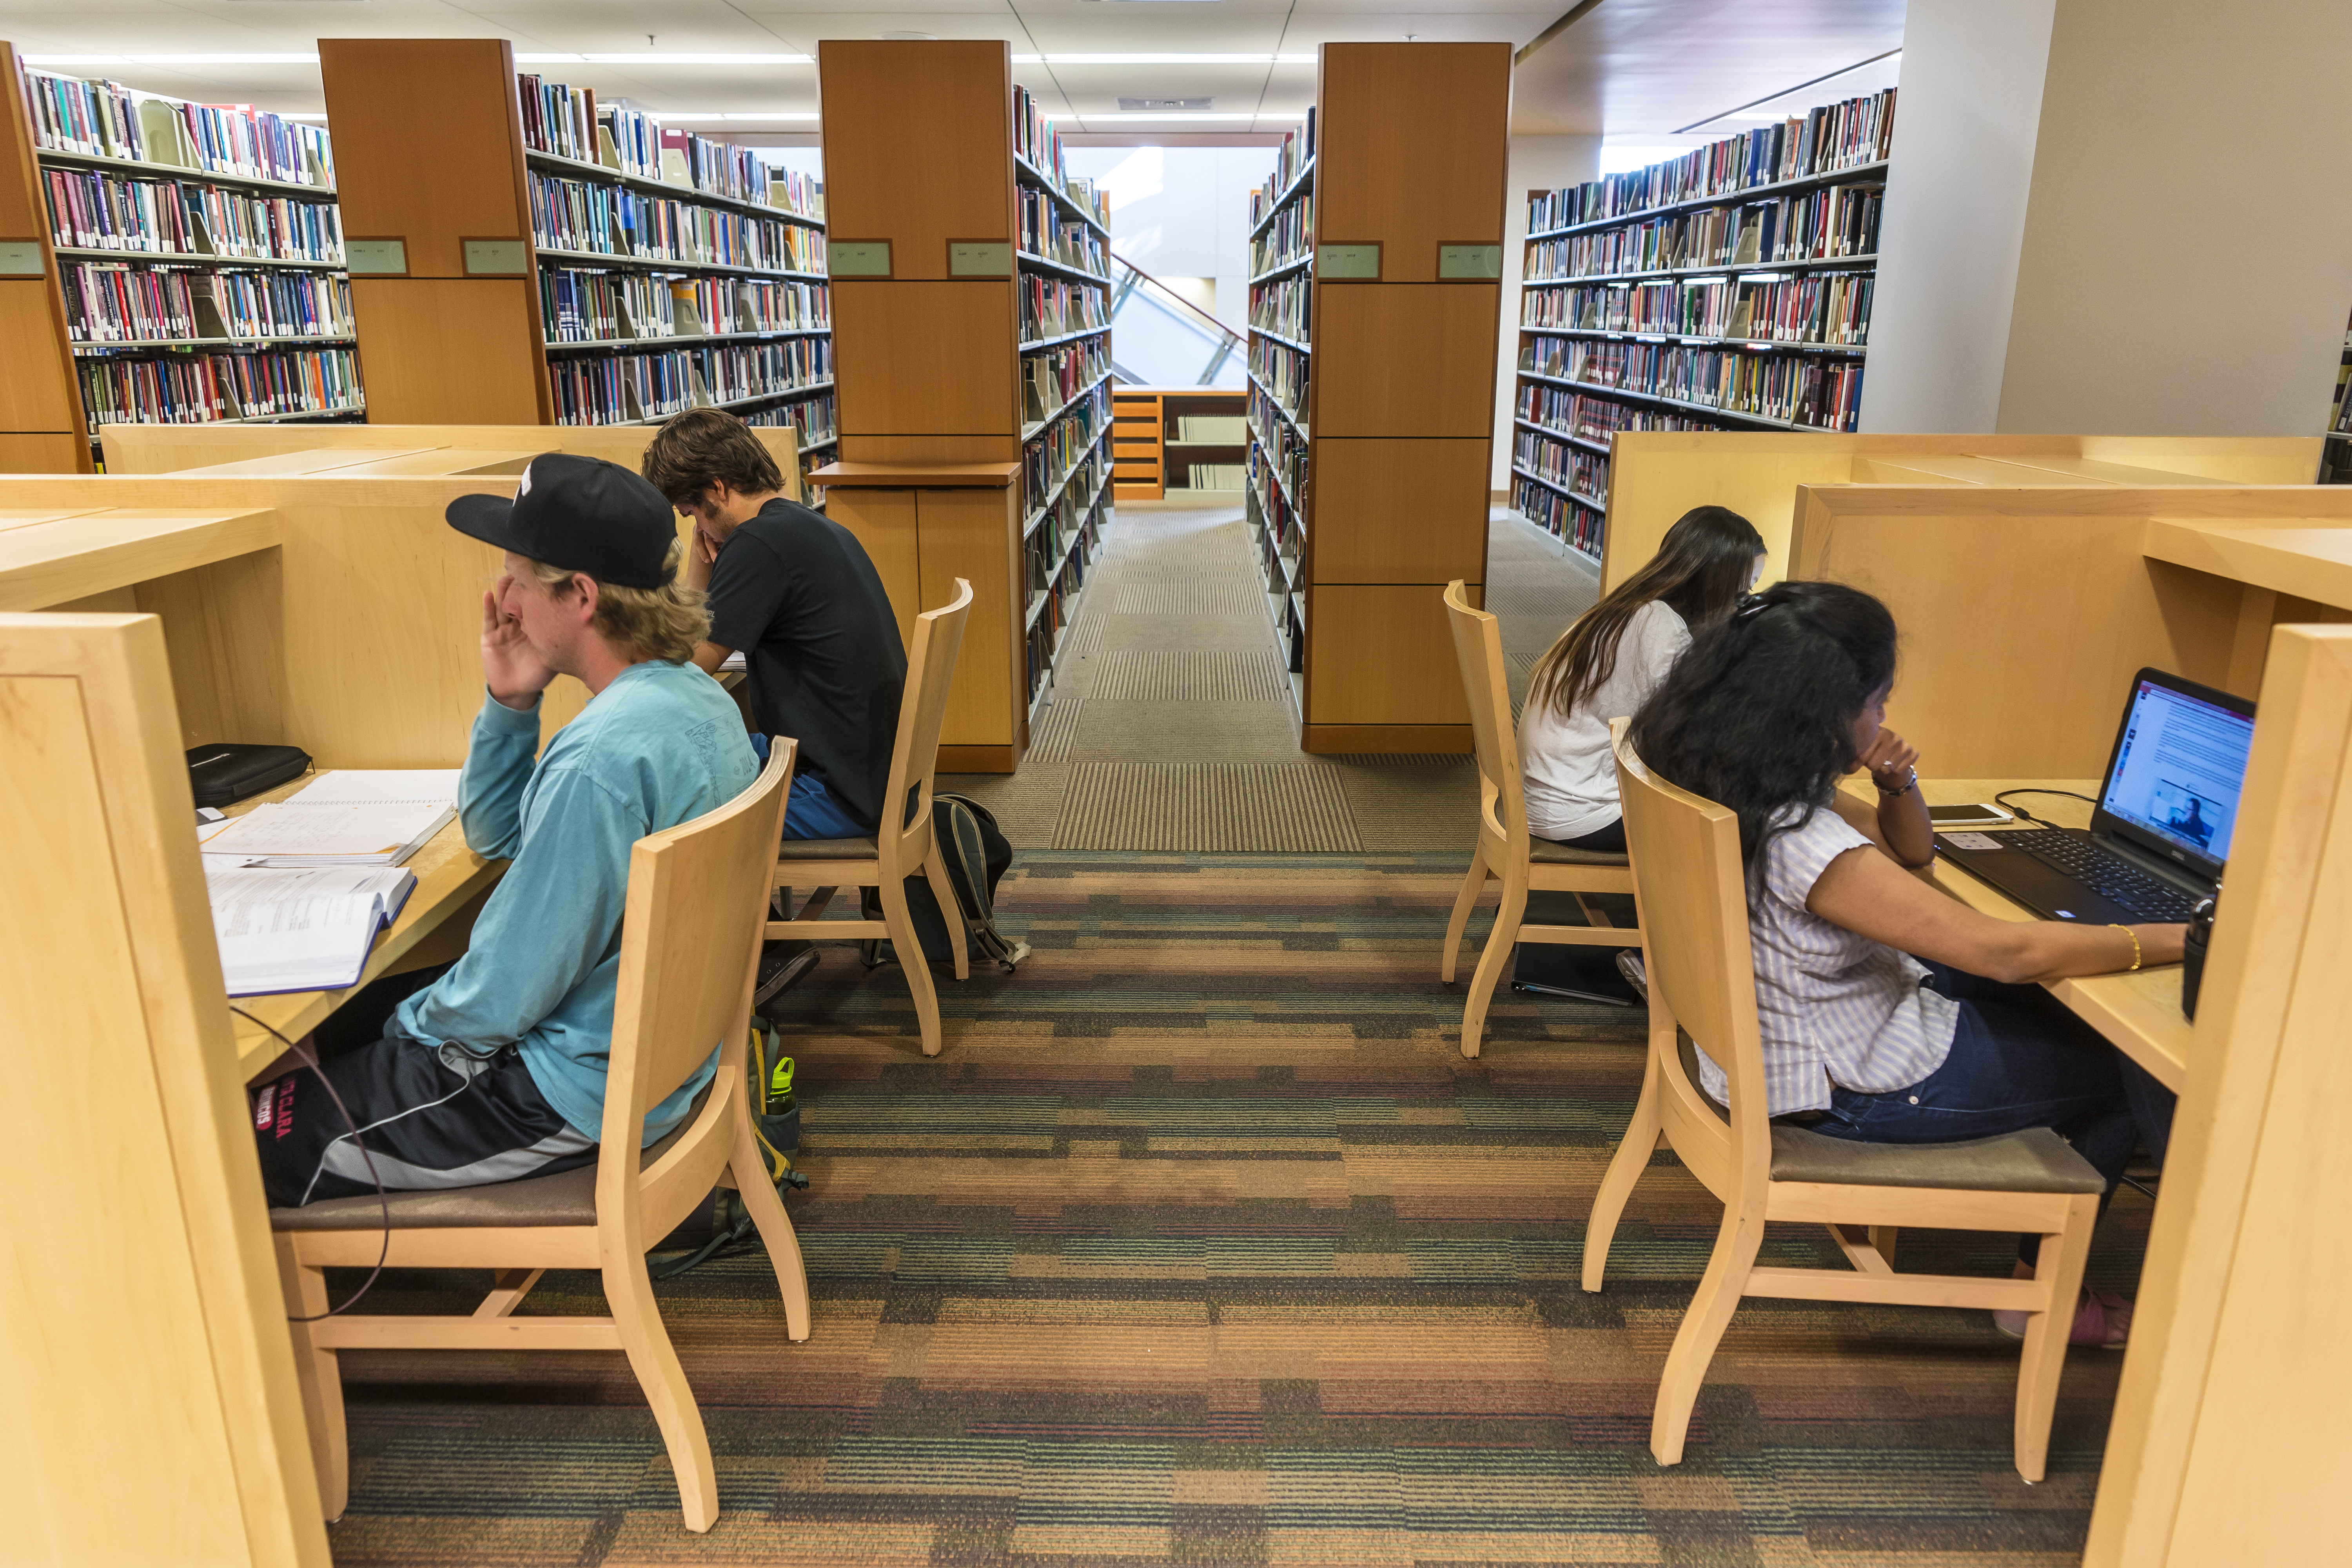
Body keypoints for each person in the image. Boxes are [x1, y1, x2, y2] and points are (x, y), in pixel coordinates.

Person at [1626, 580, 2180, 1348]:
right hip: (1851, 1083)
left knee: (2026, 1000)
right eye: (1877, 703)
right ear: (1822, 713)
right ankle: (2036, 1296)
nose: (1884, 719)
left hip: (1765, 1051)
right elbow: (2004, 950)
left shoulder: (1727, 773)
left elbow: (1913, 851)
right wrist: (2174, 936)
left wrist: (1895, 778)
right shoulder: (1807, 842)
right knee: (2122, 1055)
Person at [250, 454, 759, 1209]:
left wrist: (401, 1031)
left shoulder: (599, 760)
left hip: (563, 1092)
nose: (503, 599)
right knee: (339, 1028)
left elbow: (503, 994)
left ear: (581, 595)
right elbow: (495, 836)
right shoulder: (695, 700)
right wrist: (511, 700)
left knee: (239, 1137)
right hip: (651, 1055)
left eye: (518, 575)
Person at [642, 411, 907, 1004]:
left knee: (675, 808)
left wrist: (701, 565)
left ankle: (757, 958)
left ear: (716, 490)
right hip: (868, 768)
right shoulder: (802, 524)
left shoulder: (759, 545)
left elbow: (684, 667)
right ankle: (763, 941)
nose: (696, 529)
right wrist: (708, 556)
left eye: (692, 514)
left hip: (838, 790)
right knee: (701, 764)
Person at [1520, 505, 1766, 853]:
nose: (1746, 605)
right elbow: (1694, 735)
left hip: (1550, 791)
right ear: (1716, 584)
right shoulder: (1657, 626)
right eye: (1744, 592)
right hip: (1581, 808)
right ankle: (1693, 906)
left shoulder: (1630, 606)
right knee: (1748, 816)